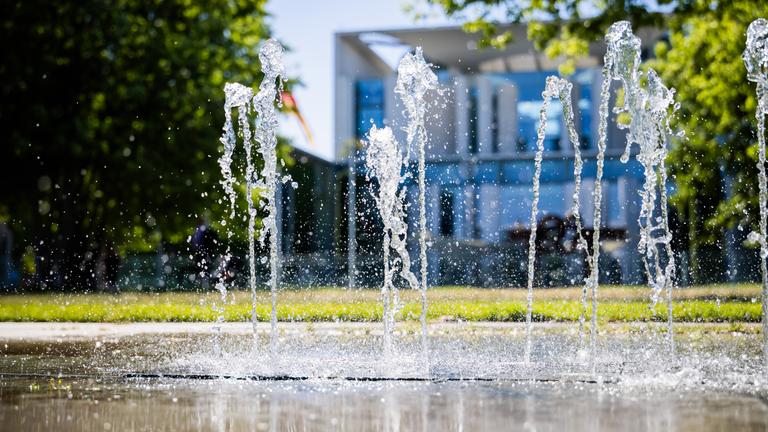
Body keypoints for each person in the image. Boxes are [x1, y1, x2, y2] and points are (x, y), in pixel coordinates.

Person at [191, 217, 218, 288]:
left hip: (203, 251)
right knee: (199, 267)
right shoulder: (198, 229)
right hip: (198, 252)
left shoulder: (203, 229)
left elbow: (205, 241)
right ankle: (200, 283)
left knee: (205, 267)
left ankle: (205, 284)